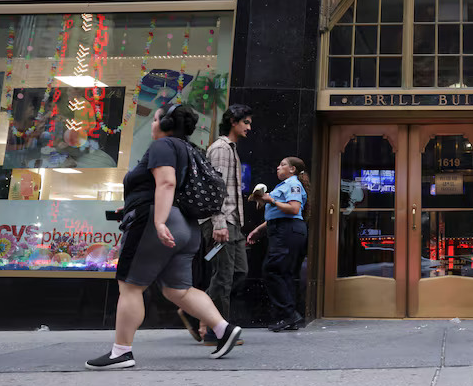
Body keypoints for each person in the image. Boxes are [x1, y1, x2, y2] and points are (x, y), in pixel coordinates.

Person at [86, 103, 241, 369]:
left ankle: (121, 352)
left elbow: (166, 182)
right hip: (186, 226)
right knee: (177, 289)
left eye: (156, 119)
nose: (153, 124)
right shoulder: (192, 150)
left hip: (158, 224)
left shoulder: (162, 146)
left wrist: (158, 220)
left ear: (166, 123)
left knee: (131, 286)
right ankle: (223, 329)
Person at [178, 105, 252, 346]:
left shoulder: (231, 149)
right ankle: (215, 332)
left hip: (233, 222)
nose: (249, 127)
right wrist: (219, 222)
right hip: (222, 222)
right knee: (224, 277)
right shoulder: (221, 149)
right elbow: (215, 187)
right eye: (246, 122)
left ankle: (194, 310)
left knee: (239, 272)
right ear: (233, 121)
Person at [247, 157, 309, 332]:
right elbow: (278, 215)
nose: (278, 167)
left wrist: (271, 200)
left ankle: (289, 314)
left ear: (292, 170)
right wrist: (259, 230)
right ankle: (289, 316)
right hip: (282, 229)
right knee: (283, 272)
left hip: (287, 231)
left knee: (272, 270)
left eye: (283, 165)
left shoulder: (292, 185)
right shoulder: (283, 186)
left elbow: (294, 209)